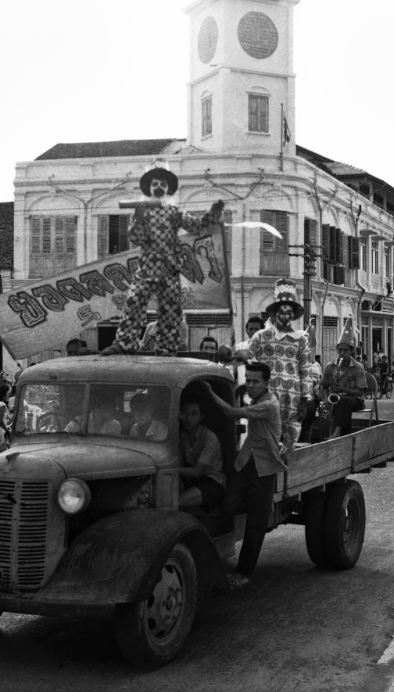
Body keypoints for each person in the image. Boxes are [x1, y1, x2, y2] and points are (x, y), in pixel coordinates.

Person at [101, 164, 224, 357]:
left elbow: (196, 226)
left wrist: (213, 213)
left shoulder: (174, 213)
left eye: (163, 184)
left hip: (169, 268)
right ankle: (125, 343)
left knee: (170, 310)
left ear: (168, 189)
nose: (159, 187)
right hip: (147, 267)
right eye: (155, 183)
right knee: (134, 302)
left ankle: (167, 348)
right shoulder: (141, 212)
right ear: (149, 187)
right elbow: (135, 238)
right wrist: (140, 218)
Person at [201, 361, 282, 589]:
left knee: (255, 525)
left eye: (256, 381)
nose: (252, 385)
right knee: (228, 507)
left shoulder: (269, 404)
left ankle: (243, 573)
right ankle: (258, 506)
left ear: (267, 383)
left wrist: (209, 391)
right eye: (249, 380)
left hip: (264, 468)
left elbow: (229, 413)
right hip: (246, 462)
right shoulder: (256, 399)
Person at [236, 279, 313, 452]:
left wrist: (304, 400)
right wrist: (231, 354)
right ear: (274, 314)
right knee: (265, 436)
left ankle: (288, 473)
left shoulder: (300, 339)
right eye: (281, 311)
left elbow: (306, 369)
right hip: (267, 395)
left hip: (292, 398)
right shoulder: (261, 336)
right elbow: (246, 353)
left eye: (289, 311)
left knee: (290, 440)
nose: (285, 315)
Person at [320, 318, 367, 438]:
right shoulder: (330, 367)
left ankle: (337, 432)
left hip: (356, 400)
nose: (342, 353)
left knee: (344, 401)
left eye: (346, 350)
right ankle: (343, 435)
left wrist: (345, 390)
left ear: (351, 351)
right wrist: (326, 399)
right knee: (340, 403)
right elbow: (324, 386)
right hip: (338, 400)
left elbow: (360, 392)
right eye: (340, 350)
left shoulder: (358, 367)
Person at [177, 397, 225, 511]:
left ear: (201, 417)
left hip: (211, 482)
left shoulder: (209, 437)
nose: (188, 418)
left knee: (175, 502)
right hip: (189, 480)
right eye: (184, 412)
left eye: (194, 414)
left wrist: (170, 470)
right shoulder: (180, 436)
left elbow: (196, 472)